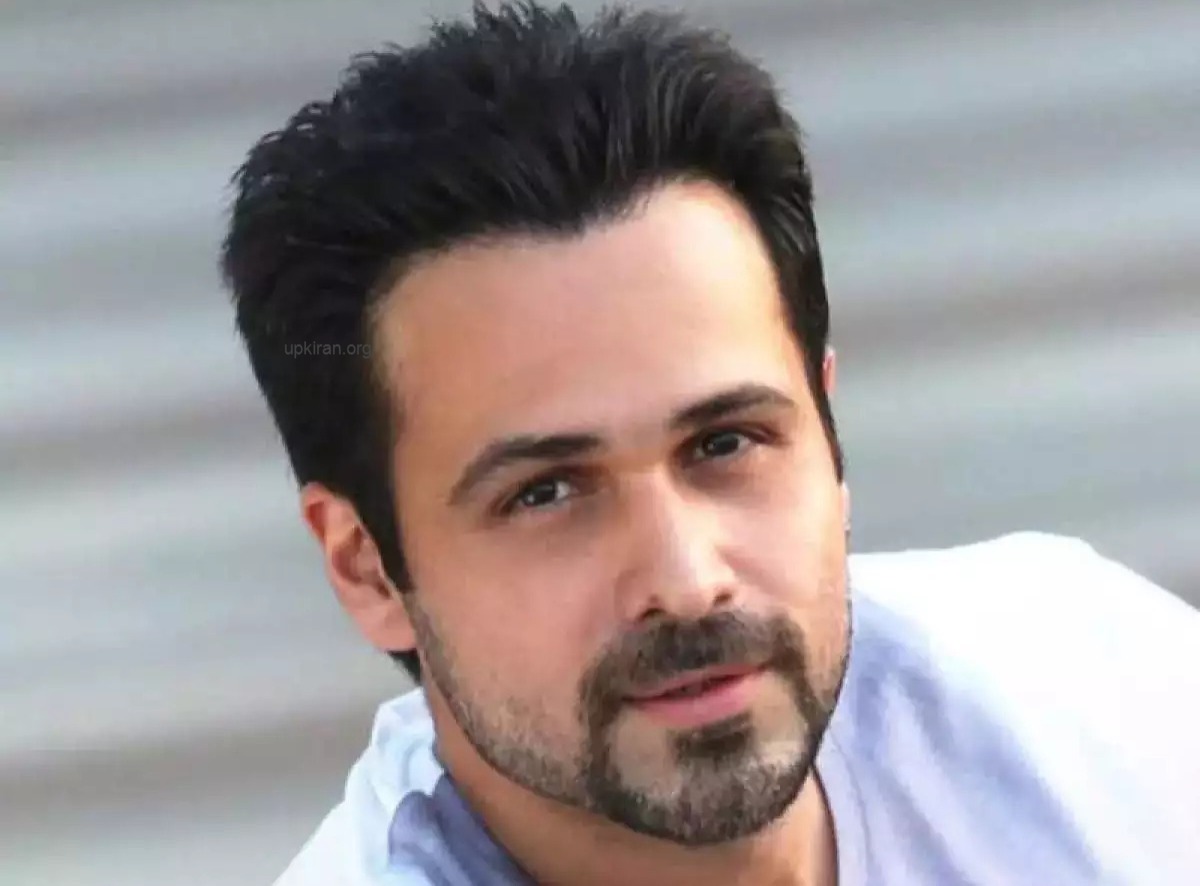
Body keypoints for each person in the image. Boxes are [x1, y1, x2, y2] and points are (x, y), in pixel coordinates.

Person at [219, 3, 1200, 883]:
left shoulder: (1097, 700)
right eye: (547, 492)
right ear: (367, 568)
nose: (686, 582)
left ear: (828, 436)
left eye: (726, 443)